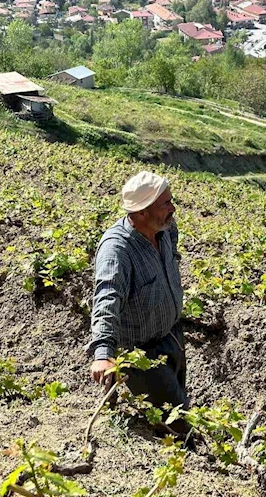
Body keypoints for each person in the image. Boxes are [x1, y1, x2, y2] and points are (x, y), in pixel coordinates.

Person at [88, 170, 189, 430]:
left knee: (178, 405)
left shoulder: (166, 229)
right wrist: (103, 354)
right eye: (166, 203)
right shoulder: (117, 250)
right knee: (180, 423)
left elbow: (172, 256)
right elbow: (107, 299)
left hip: (172, 337)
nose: (173, 208)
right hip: (141, 355)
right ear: (142, 212)